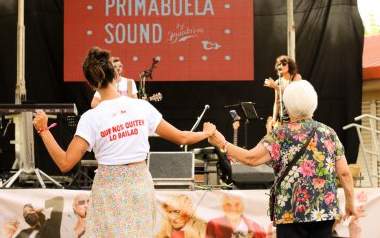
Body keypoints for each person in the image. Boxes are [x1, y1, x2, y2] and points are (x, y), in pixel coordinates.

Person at [32, 46, 216, 237]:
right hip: (139, 186)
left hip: (108, 191)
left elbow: (65, 163)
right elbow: (182, 137)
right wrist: (206, 133)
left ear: (90, 84)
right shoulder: (141, 107)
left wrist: (43, 130)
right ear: (116, 76)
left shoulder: (91, 118)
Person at [208, 80, 356, 238]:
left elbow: (250, 158)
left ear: (287, 106)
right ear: (314, 103)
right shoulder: (329, 133)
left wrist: (222, 143)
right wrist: (350, 203)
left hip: (290, 212)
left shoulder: (279, 135)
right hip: (324, 211)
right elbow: (345, 173)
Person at [263, 55, 302, 131]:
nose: (281, 66)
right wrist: (274, 119)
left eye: (284, 63)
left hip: (295, 117)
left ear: (290, 65)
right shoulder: (278, 82)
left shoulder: (296, 77)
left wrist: (276, 86)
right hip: (283, 119)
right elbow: (277, 102)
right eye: (279, 64)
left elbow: (292, 94)